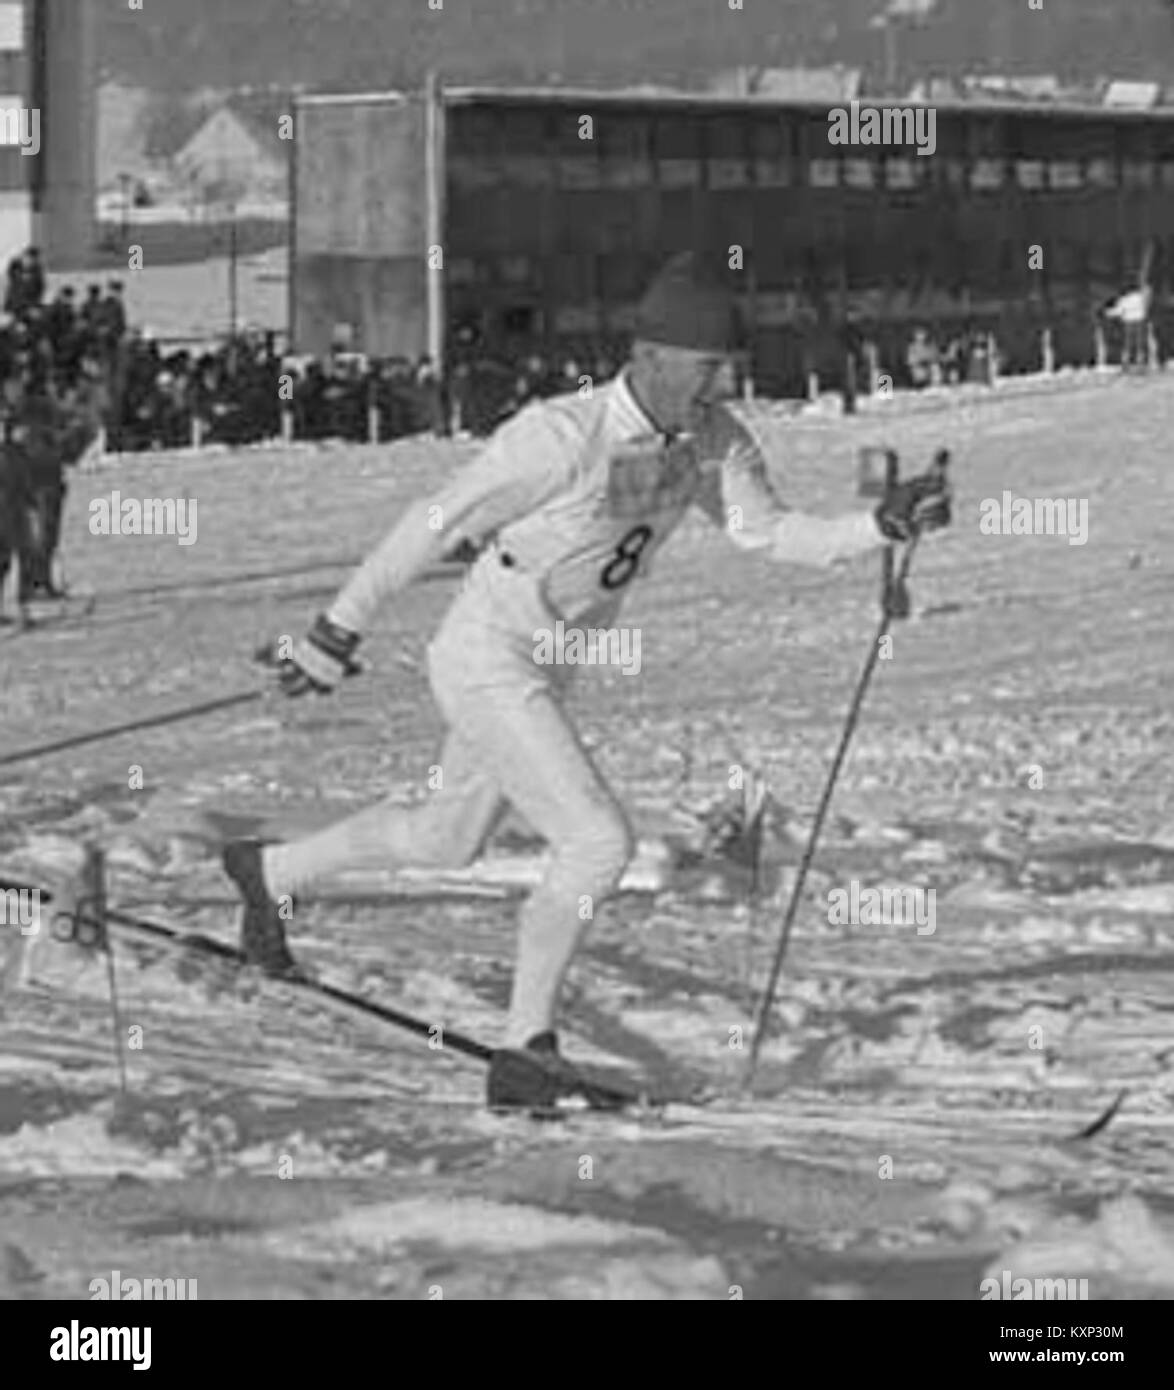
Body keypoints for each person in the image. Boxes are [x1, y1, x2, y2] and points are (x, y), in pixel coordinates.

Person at [222, 252, 952, 1112]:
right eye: (705, 366)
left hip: (550, 664)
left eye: (727, 368)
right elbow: (434, 523)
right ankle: (525, 1049)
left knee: (443, 842)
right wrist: (335, 629)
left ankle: (266, 872)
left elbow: (771, 533)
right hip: (488, 654)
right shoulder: (561, 435)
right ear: (647, 355)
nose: (720, 384)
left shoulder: (713, 441)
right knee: (599, 841)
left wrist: (879, 521)